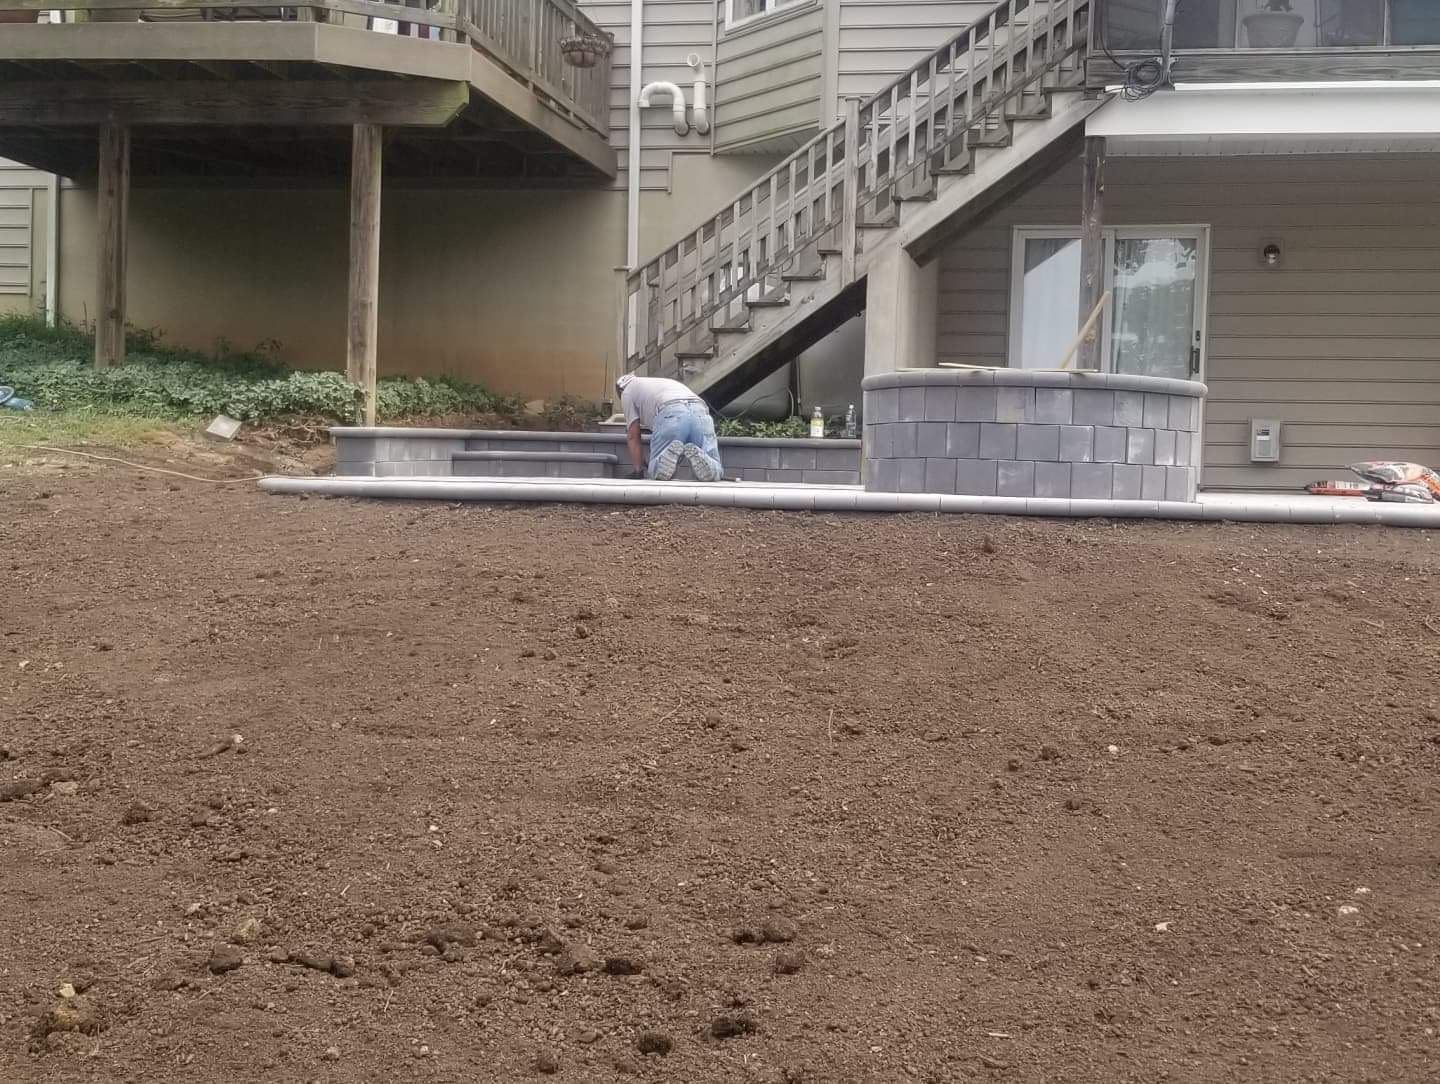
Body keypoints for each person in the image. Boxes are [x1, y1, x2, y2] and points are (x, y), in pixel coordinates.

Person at [616, 373, 724, 482]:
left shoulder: (626, 392)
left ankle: (661, 465)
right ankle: (708, 465)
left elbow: (633, 435)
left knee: (656, 469)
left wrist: (638, 470)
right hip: (700, 410)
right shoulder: (658, 382)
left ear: (620, 390)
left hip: (671, 413)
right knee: (714, 463)